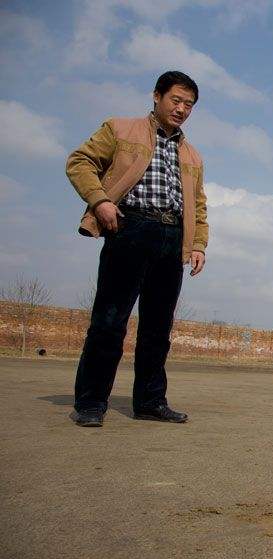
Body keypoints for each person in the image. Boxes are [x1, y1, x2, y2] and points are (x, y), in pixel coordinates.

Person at [66, 71, 209, 427]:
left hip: (171, 237)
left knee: (158, 329)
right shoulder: (120, 129)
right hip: (130, 227)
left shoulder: (192, 154)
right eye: (176, 100)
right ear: (157, 96)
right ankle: (91, 402)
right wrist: (99, 201)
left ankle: (149, 402)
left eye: (188, 105)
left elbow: (198, 204)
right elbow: (79, 162)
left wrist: (198, 244)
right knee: (110, 321)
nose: (181, 109)